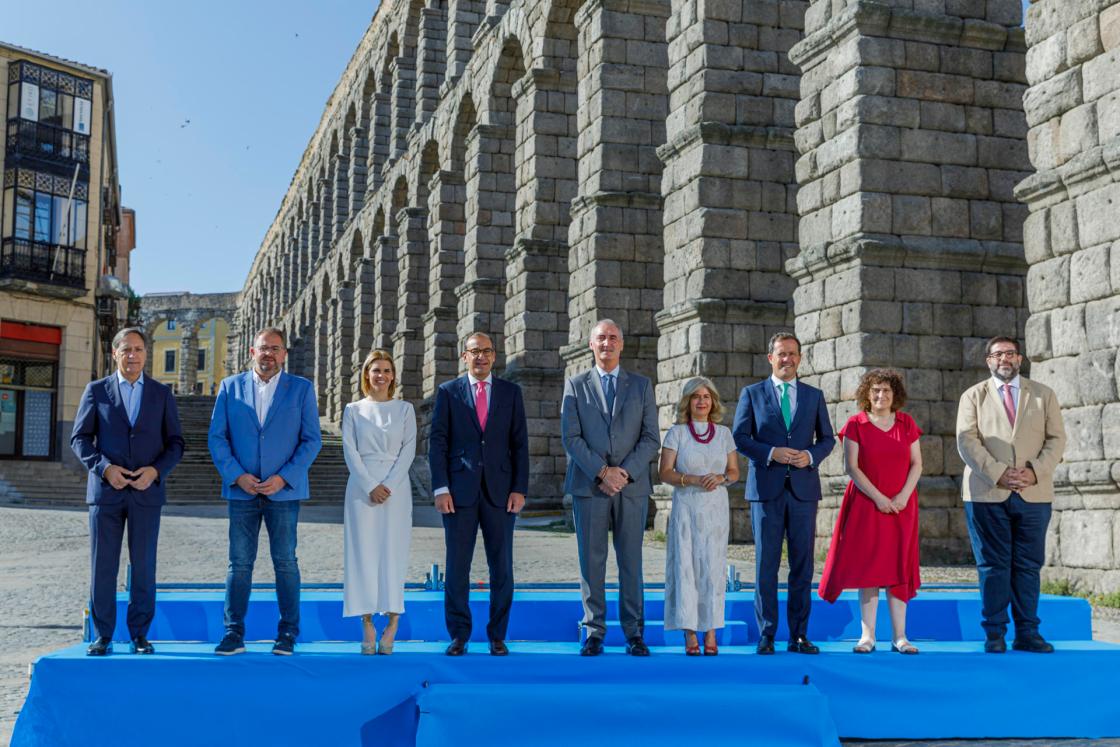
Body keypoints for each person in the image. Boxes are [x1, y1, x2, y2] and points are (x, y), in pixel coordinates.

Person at [208, 327, 322, 656]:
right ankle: (233, 633)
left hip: (282, 492)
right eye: (263, 348)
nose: (268, 353)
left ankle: (287, 634)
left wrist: (284, 478)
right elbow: (217, 437)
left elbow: (311, 440)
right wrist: (236, 475)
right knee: (239, 563)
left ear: (284, 354)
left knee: (285, 562)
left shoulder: (301, 389)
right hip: (242, 490)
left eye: (275, 348)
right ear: (252, 351)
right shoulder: (230, 387)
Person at [71, 327, 184, 656]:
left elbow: (176, 443)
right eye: (126, 350)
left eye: (138, 349)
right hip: (106, 493)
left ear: (146, 354)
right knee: (102, 566)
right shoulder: (96, 391)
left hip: (146, 493)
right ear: (115, 354)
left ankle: (140, 635)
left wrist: (155, 471)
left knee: (144, 566)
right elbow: (79, 438)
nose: (132, 355)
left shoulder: (161, 394)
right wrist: (104, 468)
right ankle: (103, 635)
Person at [957, 336, 1066, 653]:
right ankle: (994, 633)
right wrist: (998, 473)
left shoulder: (1043, 395)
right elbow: (967, 441)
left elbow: (1056, 439)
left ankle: (1028, 633)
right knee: (993, 565)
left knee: (1028, 565)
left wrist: (1035, 471)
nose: (1004, 359)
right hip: (986, 492)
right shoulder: (972, 396)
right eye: (997, 354)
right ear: (988, 361)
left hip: (1034, 492)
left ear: (1020, 359)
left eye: (1010, 353)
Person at [732, 332, 835, 655]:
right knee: (766, 564)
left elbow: (828, 439)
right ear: (770, 358)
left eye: (792, 354)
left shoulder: (814, 396)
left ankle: (799, 635)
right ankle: (767, 634)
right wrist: (771, 452)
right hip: (766, 490)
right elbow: (740, 437)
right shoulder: (752, 394)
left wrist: (811, 456)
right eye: (781, 354)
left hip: (803, 491)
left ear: (799, 358)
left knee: (802, 566)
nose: (787, 359)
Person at [561, 319, 660, 657]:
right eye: (601, 338)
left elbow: (651, 438)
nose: (607, 343)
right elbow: (571, 437)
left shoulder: (642, 386)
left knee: (631, 561)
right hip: (590, 486)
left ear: (621, 344)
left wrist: (623, 473)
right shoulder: (575, 386)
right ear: (591, 344)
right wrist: (603, 471)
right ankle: (594, 631)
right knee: (592, 562)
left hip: (631, 488)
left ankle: (634, 633)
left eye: (613, 337)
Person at [429, 332, 529, 656]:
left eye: (486, 351)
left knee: (502, 568)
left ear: (494, 356)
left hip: (501, 493)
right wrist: (441, 487)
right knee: (457, 568)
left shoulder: (511, 393)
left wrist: (519, 488)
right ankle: (459, 635)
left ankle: (497, 635)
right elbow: (438, 443)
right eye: (475, 351)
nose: (481, 357)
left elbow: (520, 444)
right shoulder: (448, 392)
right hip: (459, 493)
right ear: (465, 356)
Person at [818, 369, 923, 654]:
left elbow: (917, 464)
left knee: (898, 568)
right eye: (875, 390)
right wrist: (878, 498)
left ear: (894, 394)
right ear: (867, 393)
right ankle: (867, 636)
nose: (881, 395)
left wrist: (903, 496)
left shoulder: (906, 423)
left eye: (886, 390)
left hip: (902, 506)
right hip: (867, 504)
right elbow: (851, 467)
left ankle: (900, 637)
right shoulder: (856, 424)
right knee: (870, 568)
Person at [658, 377, 739, 656]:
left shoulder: (724, 434)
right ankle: (690, 631)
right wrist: (691, 478)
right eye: (696, 396)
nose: (702, 401)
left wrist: (721, 477)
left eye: (706, 396)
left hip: (715, 507)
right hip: (687, 506)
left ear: (713, 401)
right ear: (687, 401)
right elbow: (664, 472)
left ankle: (711, 630)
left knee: (713, 568)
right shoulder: (677, 433)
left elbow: (734, 472)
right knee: (686, 566)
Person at [342, 350, 416, 655]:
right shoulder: (353, 410)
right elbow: (350, 450)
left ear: (393, 375)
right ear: (366, 374)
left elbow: (408, 450)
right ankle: (367, 622)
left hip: (396, 489)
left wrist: (389, 485)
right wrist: (371, 485)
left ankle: (393, 621)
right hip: (362, 489)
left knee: (393, 552)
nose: (381, 375)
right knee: (363, 554)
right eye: (375, 370)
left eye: (386, 370)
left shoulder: (405, 409)